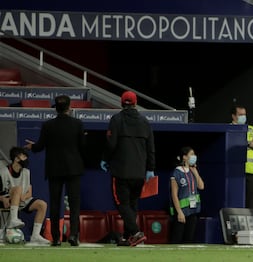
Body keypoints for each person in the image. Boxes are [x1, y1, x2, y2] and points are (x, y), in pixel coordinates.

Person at [25, 95, 86, 247]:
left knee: (55, 203)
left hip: (54, 169)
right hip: (73, 168)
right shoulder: (77, 124)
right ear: (69, 107)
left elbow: (40, 146)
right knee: (74, 203)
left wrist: (32, 147)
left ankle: (56, 238)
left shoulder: (48, 125)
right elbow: (83, 146)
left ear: (55, 108)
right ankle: (73, 235)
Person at [100, 90, 155, 247]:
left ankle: (136, 233)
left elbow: (111, 144)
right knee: (132, 205)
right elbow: (151, 148)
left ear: (121, 103)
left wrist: (105, 159)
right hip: (139, 173)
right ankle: (127, 237)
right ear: (136, 103)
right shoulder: (145, 122)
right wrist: (150, 168)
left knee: (122, 204)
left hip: (121, 171)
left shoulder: (116, 120)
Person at [0, 147, 50, 244]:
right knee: (18, 189)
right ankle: (14, 219)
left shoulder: (26, 172)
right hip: (6, 200)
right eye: (23, 156)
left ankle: (35, 235)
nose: (26, 159)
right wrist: (2, 198)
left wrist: (24, 197)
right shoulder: (3, 172)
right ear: (16, 158)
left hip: (22, 200)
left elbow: (29, 191)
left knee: (42, 204)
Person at [231, 105, 253, 208]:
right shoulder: (229, 129)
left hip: (249, 172)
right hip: (234, 172)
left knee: (248, 201)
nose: (243, 117)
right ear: (233, 116)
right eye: (240, 115)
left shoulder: (250, 129)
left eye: (244, 115)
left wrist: (247, 143)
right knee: (234, 200)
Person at [170, 146, 204, 244]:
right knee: (177, 238)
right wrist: (179, 212)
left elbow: (201, 186)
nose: (194, 156)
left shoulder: (193, 171)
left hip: (193, 211)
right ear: (184, 157)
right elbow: (174, 195)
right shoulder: (176, 173)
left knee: (189, 240)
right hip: (181, 212)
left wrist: (196, 172)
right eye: (191, 154)